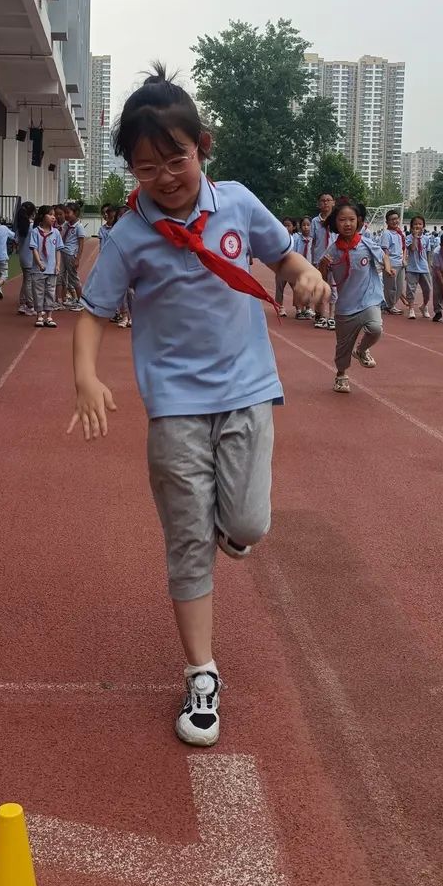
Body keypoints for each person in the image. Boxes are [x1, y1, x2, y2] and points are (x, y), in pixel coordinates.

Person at [69, 65, 323, 747]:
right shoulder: (128, 238)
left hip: (247, 392)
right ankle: (202, 674)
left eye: (176, 158)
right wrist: (86, 377)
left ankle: (230, 529)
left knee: (247, 524)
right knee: (188, 543)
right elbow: (94, 313)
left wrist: (305, 272)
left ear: (201, 147)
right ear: (131, 168)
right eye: (147, 166)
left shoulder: (237, 203)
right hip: (175, 406)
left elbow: (286, 255)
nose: (166, 177)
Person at [321, 198, 392, 393]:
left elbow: (384, 255)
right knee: (343, 346)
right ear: (336, 223)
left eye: (351, 219)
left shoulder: (367, 244)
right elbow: (322, 276)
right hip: (345, 305)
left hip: (369, 299)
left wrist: (387, 268)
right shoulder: (332, 250)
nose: (347, 224)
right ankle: (341, 375)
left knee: (375, 328)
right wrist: (323, 266)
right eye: (342, 220)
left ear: (358, 222)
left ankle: (361, 350)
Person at [30, 206, 64, 328]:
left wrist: (58, 265)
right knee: (38, 292)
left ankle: (49, 316)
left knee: (50, 292)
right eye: (50, 214)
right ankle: (39, 315)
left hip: (52, 269)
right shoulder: (35, 232)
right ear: (42, 216)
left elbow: (58, 250)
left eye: (54, 215)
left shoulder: (56, 233)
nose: (53, 217)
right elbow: (34, 248)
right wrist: (39, 263)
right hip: (38, 269)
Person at [310, 192, 338, 331]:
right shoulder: (315, 221)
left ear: (333, 203)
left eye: (328, 200)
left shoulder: (338, 220)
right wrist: (311, 261)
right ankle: (320, 316)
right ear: (318, 204)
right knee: (320, 288)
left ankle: (332, 316)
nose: (326, 203)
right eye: (323, 200)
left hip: (334, 259)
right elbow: (312, 241)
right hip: (319, 260)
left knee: (334, 288)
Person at [59, 202, 87, 309]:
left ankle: (81, 301)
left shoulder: (79, 227)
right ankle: (63, 299)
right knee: (61, 276)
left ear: (75, 213)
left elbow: (81, 244)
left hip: (71, 255)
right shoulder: (66, 225)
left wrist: (77, 259)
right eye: (65, 212)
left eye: (68, 213)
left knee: (73, 278)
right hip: (63, 253)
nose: (65, 215)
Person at [404, 214, 433, 319]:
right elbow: (412, 248)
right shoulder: (408, 238)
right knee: (411, 289)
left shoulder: (426, 239)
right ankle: (411, 308)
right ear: (411, 227)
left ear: (423, 226)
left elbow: (428, 252)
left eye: (420, 224)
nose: (418, 226)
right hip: (412, 267)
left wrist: (429, 265)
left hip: (424, 267)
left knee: (428, 289)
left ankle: (424, 306)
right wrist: (415, 237)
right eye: (415, 224)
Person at [380, 209, 407, 315]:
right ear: (387, 222)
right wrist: (388, 266)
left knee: (399, 287)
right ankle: (390, 306)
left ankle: (388, 304)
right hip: (391, 263)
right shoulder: (386, 234)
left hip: (400, 263)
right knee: (391, 287)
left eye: (396, 219)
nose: (395, 221)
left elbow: (403, 248)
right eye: (392, 220)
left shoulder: (400, 233)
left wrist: (404, 259)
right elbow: (385, 250)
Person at [14, 200, 37, 316]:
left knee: (25, 280)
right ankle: (30, 305)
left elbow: (16, 241)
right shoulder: (33, 227)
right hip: (31, 257)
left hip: (23, 256)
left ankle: (23, 303)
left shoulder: (20, 227)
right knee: (29, 282)